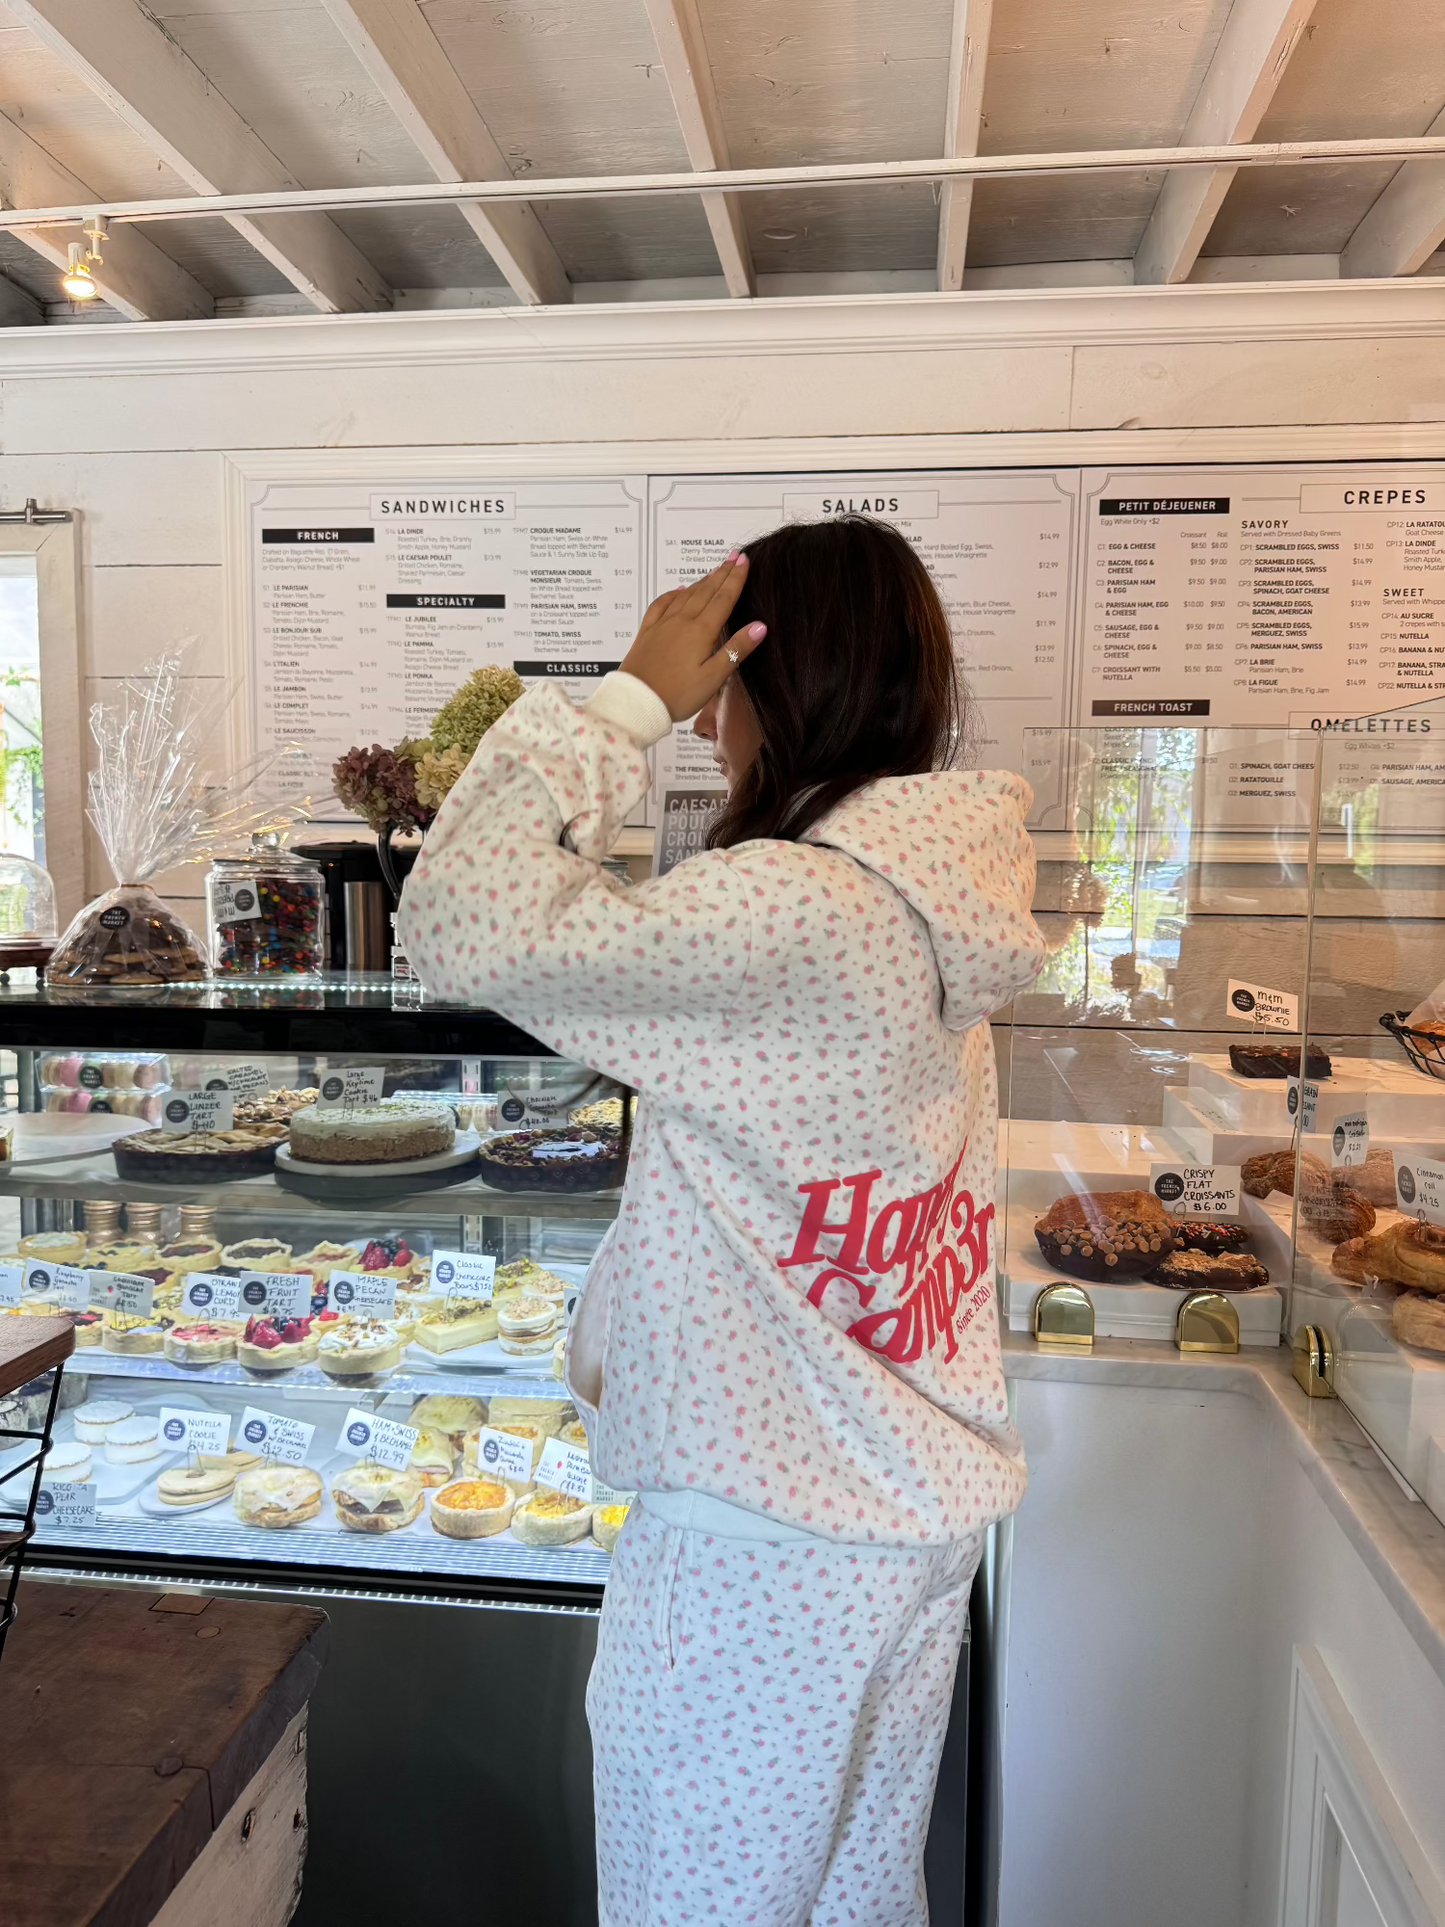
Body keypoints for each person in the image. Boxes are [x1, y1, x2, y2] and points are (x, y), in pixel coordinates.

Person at [398, 516, 1047, 1925]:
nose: (704, 733)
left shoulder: (788, 906)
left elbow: (454, 915)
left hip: (764, 1542)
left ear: (768, 673)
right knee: (852, 1904)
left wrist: (622, 700)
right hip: (906, 1512)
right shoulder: (940, 893)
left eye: (717, 690)